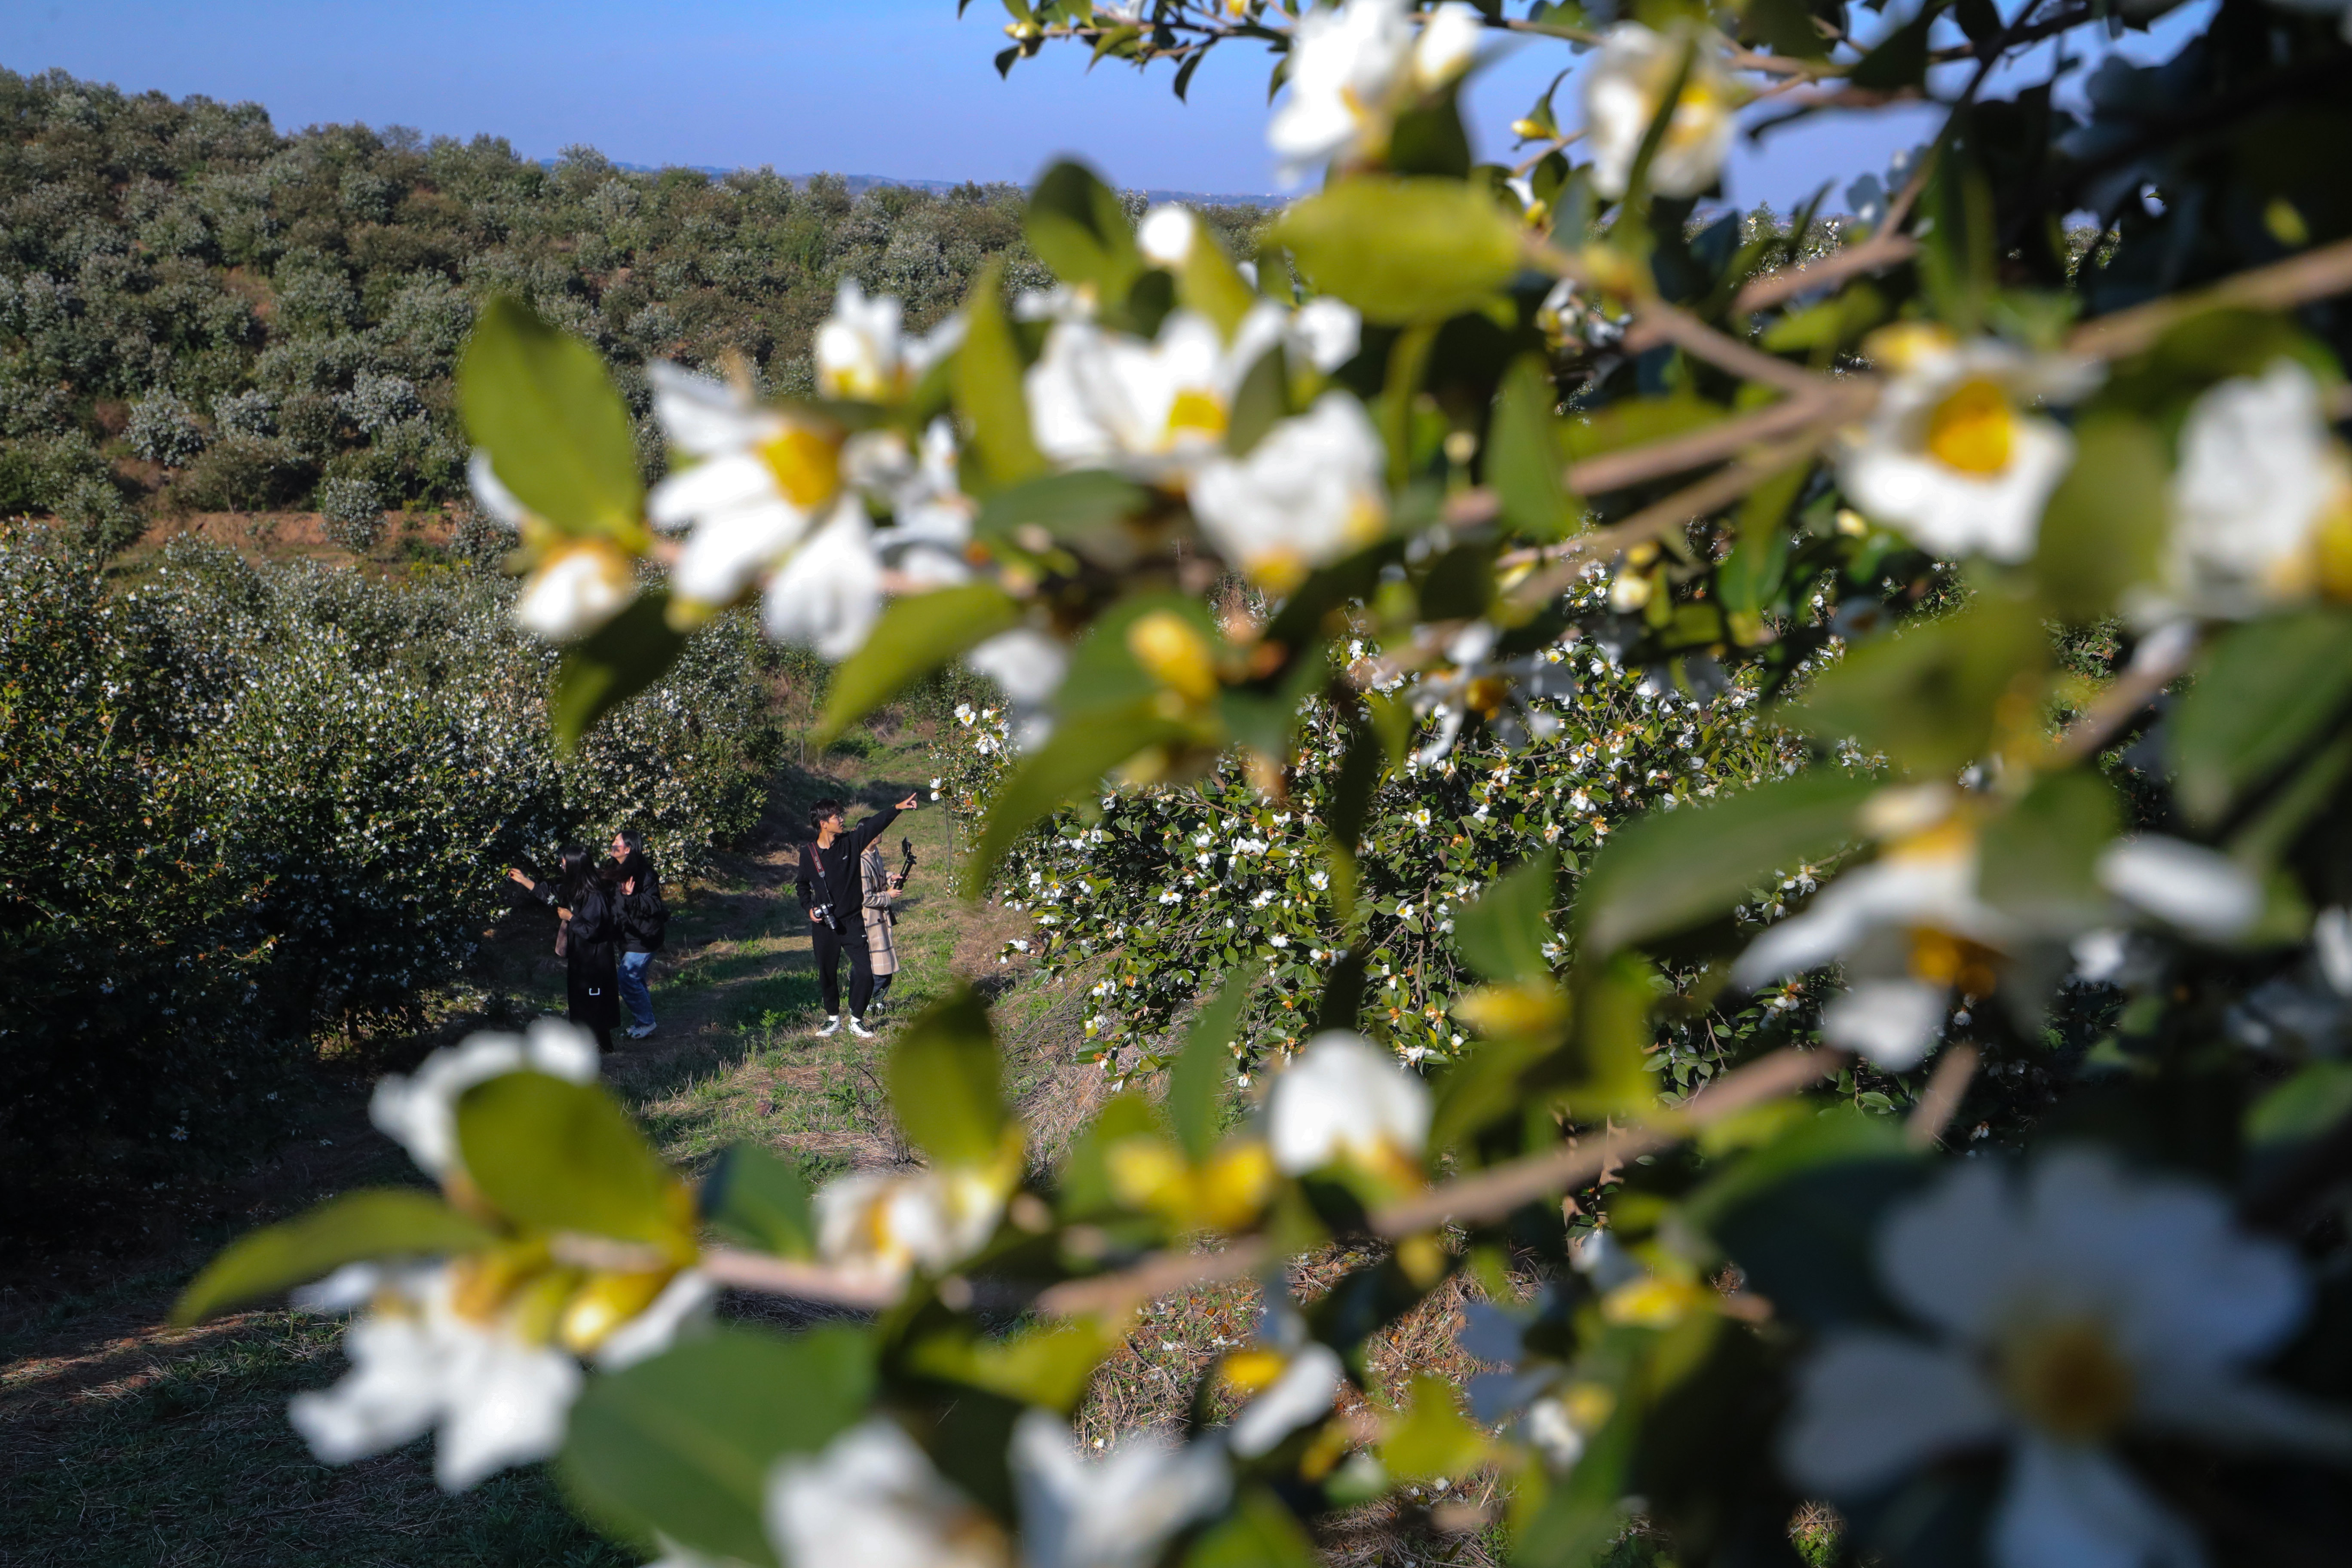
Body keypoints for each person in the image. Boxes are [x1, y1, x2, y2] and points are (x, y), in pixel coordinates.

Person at [795, 792, 917, 1038]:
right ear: (823, 823)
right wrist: (809, 908)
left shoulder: (850, 843)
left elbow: (874, 824)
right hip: (825, 926)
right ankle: (833, 1019)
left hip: (852, 921)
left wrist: (898, 808)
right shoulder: (808, 854)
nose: (842, 819)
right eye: (837, 816)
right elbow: (802, 885)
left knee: (864, 971)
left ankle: (857, 1019)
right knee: (827, 972)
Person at [507, 846, 622, 1051]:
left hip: (595, 959)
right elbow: (550, 894)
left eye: (564, 863)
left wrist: (571, 918)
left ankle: (602, 1044)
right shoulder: (573, 889)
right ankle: (592, 1043)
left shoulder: (594, 895)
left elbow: (595, 929)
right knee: (580, 1000)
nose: (561, 865)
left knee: (593, 1000)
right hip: (580, 956)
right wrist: (524, 880)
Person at [609, 828, 666, 1040]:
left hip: (645, 937)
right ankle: (643, 1022)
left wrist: (632, 896)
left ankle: (646, 1022)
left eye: (617, 841)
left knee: (627, 978)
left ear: (629, 848)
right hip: (628, 937)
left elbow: (653, 906)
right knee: (636, 979)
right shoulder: (617, 871)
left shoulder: (644, 874)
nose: (613, 845)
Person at [859, 836, 907, 1013]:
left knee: (885, 966)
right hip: (870, 919)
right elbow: (865, 898)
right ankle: (865, 1003)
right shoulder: (861, 862)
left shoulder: (874, 854)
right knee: (881, 969)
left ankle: (874, 1002)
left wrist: (891, 877)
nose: (882, 833)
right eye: (878, 831)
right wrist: (889, 896)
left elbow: (878, 875)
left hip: (880, 916)